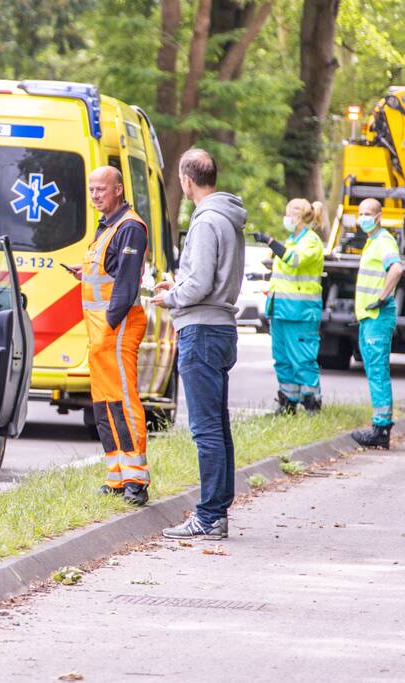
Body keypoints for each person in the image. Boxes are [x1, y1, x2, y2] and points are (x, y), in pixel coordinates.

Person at [150, 149, 246, 540]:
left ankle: (208, 516)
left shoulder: (206, 221)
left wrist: (171, 297)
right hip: (219, 328)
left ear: (187, 180)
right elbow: (210, 279)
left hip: (202, 332)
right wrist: (179, 286)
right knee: (218, 427)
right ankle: (217, 510)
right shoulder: (230, 217)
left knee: (205, 429)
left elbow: (202, 282)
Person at [63, 166, 150, 506]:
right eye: (92, 189)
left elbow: (126, 285)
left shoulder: (130, 227)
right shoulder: (108, 227)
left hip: (117, 329)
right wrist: (84, 272)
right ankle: (116, 476)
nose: (96, 194)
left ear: (118, 189)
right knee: (105, 405)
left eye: (102, 189)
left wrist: (110, 326)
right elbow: (110, 273)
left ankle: (136, 481)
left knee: (123, 403)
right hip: (102, 333)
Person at [248, 199, 326, 414]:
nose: (287, 219)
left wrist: (270, 241)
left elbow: (294, 261)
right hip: (282, 310)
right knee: (282, 359)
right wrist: (262, 275)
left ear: (299, 217)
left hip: (300, 313)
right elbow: (287, 273)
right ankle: (288, 401)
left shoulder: (311, 241)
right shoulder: (292, 240)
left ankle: (312, 403)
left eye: (289, 214)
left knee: (302, 359)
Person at [350, 197, 402, 449]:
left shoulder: (384, 241)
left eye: (368, 213)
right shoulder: (372, 242)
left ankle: (381, 428)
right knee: (373, 370)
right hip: (368, 316)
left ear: (379, 216)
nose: (363, 218)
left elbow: (397, 269)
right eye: (360, 213)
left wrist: (381, 298)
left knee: (378, 371)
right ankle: (379, 425)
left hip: (378, 316)